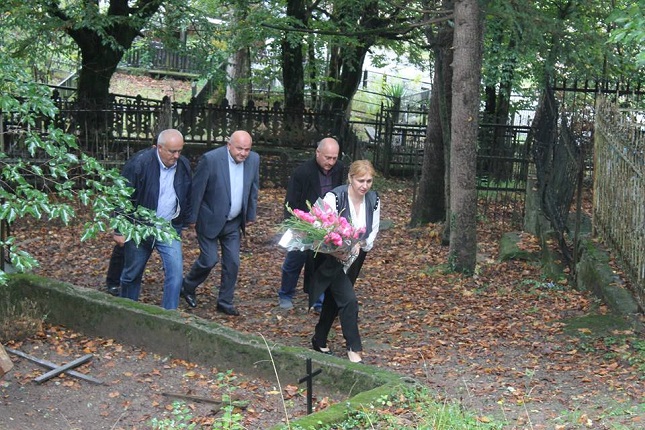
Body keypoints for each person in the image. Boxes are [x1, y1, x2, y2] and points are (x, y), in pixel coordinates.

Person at [181, 130, 260, 316]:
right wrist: (191, 219)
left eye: (247, 149)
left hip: (233, 222)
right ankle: (187, 285)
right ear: (229, 145)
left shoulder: (254, 160)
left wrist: (250, 214)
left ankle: (225, 301)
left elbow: (253, 187)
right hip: (209, 219)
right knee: (209, 260)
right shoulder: (211, 160)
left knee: (233, 262)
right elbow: (197, 190)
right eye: (239, 148)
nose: (243, 153)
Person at [308, 160, 380, 363]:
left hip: (355, 257)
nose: (364, 186)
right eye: (360, 181)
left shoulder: (373, 199)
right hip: (330, 259)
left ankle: (319, 338)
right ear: (350, 178)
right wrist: (336, 249)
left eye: (369, 181)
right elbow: (317, 226)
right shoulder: (334, 197)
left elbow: (372, 228)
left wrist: (362, 243)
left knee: (334, 299)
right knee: (349, 301)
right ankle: (354, 349)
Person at [115, 129, 193, 310]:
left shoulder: (183, 165)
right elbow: (121, 195)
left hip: (168, 227)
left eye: (180, 151)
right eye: (172, 151)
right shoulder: (140, 163)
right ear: (159, 147)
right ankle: (127, 309)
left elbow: (188, 192)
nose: (176, 156)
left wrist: (186, 219)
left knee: (175, 273)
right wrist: (119, 229)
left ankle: (169, 314)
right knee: (131, 274)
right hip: (139, 227)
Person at [278, 137, 345, 311]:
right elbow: (291, 201)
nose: (331, 162)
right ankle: (286, 294)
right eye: (327, 157)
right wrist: (293, 225)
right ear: (318, 153)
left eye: (334, 158)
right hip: (304, 221)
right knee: (294, 260)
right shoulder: (303, 172)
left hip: (327, 223)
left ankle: (317, 300)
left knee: (321, 262)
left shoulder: (339, 169)